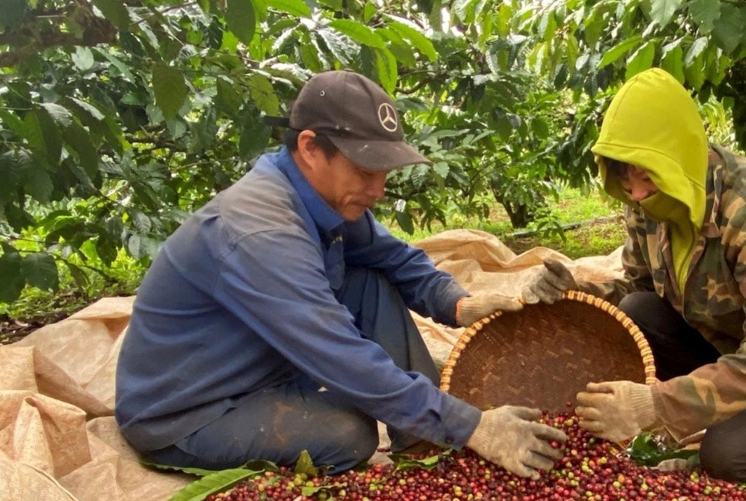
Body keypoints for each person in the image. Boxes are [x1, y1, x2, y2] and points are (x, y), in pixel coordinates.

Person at [115, 70, 566, 479]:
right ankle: (438, 422)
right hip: (193, 409)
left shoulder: (327, 197)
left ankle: (424, 438)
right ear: (310, 148)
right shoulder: (262, 232)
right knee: (350, 435)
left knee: (368, 283)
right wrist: (475, 427)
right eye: (366, 172)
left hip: (259, 359)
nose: (377, 190)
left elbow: (396, 260)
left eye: (385, 174)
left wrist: (461, 304)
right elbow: (338, 353)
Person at [524, 67, 746, 482]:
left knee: (726, 455)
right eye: (625, 177)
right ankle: (727, 406)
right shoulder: (648, 205)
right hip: (731, 340)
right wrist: (576, 290)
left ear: (677, 158)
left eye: (646, 175)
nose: (635, 193)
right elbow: (638, 288)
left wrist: (657, 405)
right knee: (636, 309)